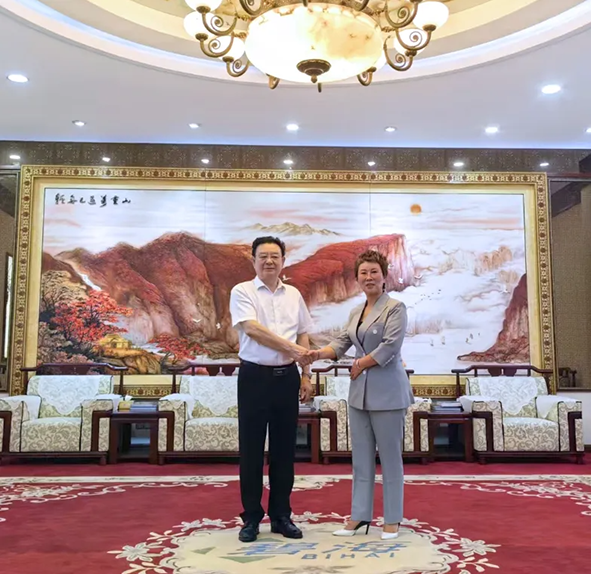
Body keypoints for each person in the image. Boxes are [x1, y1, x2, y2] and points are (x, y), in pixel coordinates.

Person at [302, 249, 413, 540]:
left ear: (384, 275)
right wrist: (316, 354)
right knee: (361, 459)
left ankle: (392, 519)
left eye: (374, 271)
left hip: (388, 393)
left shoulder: (396, 308)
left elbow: (390, 347)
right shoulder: (355, 312)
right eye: (363, 272)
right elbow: (340, 344)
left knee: (390, 458)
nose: (369, 277)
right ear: (357, 278)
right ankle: (360, 516)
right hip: (359, 394)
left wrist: (360, 363)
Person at [229, 236, 314, 543]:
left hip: (287, 378)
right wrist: (292, 349)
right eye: (263, 256)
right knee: (251, 449)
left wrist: (306, 375)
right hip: (254, 377)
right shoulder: (242, 291)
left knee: (284, 450)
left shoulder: (294, 294)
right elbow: (252, 329)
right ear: (253, 260)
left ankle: (281, 516)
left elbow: (303, 333)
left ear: (283, 261)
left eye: (274, 256)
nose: (269, 261)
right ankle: (251, 517)